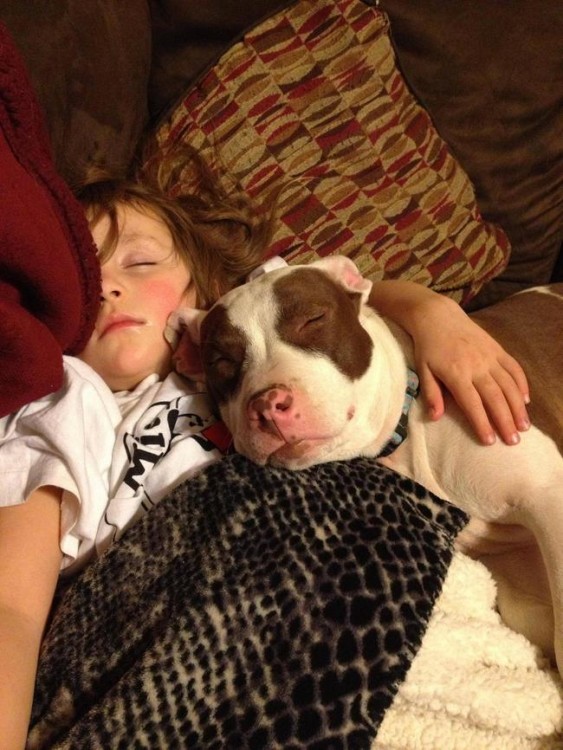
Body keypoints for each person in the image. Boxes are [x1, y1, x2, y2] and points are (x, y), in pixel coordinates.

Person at [0, 146, 530, 749]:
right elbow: (11, 605)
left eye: (140, 262)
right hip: (167, 625)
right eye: (87, 281)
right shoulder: (66, 401)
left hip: (349, 584)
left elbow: (343, 294)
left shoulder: (243, 327)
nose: (112, 290)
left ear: (200, 288)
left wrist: (436, 314)